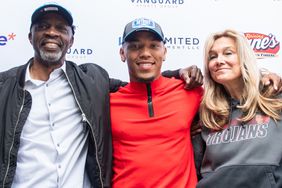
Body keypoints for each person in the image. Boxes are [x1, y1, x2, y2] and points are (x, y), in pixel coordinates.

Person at [0, 4, 204, 188]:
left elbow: (149, 85)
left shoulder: (188, 91)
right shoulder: (5, 87)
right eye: (43, 26)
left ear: (72, 40)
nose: (52, 33)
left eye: (61, 28)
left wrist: (178, 74)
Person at [110, 17, 204, 188]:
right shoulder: (107, 102)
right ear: (122, 53)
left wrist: (265, 78)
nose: (145, 53)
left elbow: (237, 95)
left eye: (153, 46)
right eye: (135, 46)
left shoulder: (190, 91)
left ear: (165, 52)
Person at [196, 29, 282, 188]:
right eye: (212, 56)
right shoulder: (206, 112)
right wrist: (179, 72)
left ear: (244, 58)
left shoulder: (274, 98)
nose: (219, 61)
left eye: (228, 53)